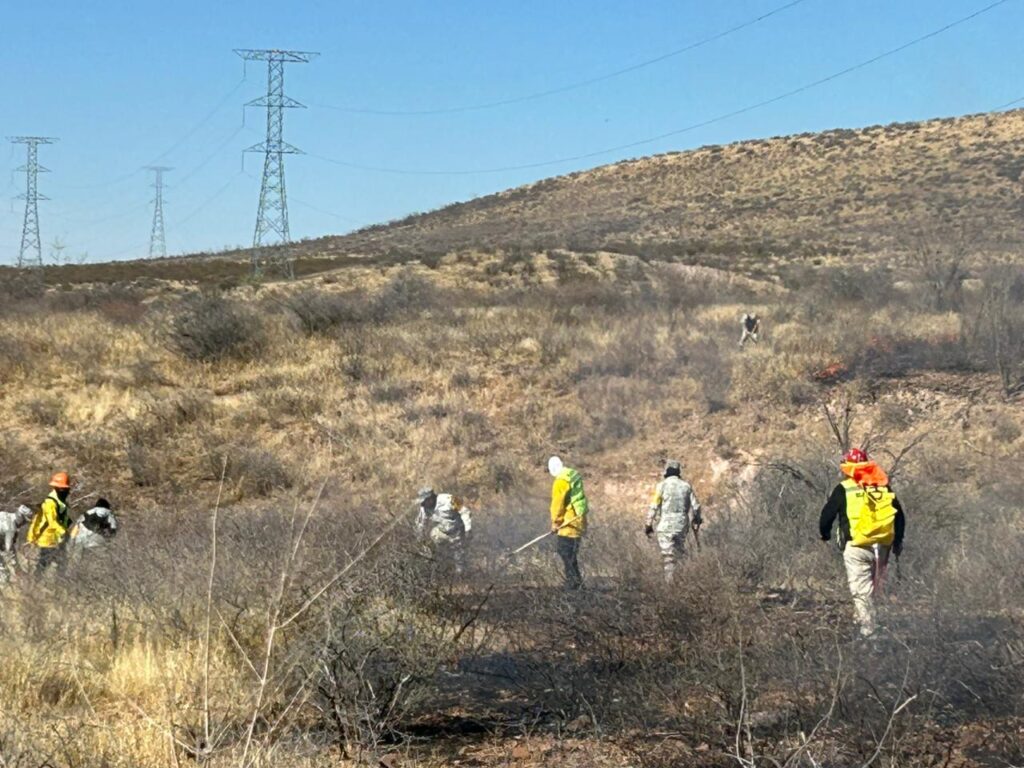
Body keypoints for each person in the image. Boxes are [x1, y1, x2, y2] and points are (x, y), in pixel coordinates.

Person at [819, 449, 906, 638]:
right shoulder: (882, 486)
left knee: (861, 590)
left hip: (857, 546)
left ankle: (869, 634)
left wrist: (824, 535)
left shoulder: (845, 488)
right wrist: (897, 541)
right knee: (875, 587)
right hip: (883, 545)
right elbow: (899, 516)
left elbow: (827, 515)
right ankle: (866, 620)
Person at [644, 460, 701, 582]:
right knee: (679, 553)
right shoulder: (686, 486)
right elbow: (696, 507)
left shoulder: (661, 486)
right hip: (681, 525)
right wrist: (697, 519)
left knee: (668, 556)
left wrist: (648, 524)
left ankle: (669, 584)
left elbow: (654, 505)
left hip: (665, 525)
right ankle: (681, 581)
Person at [548, 456, 589, 590]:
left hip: (569, 523)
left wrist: (555, 523)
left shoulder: (561, 481)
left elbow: (557, 504)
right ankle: (576, 582)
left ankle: (573, 584)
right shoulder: (573, 474)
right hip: (579, 520)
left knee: (565, 551)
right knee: (571, 554)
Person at [26, 472, 73, 576]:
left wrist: (66, 523)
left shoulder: (61, 502)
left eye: (66, 489)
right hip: (48, 538)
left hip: (57, 538)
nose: (66, 491)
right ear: (56, 488)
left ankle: (58, 586)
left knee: (61, 563)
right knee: (44, 564)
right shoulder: (50, 502)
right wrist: (63, 531)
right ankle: (34, 584)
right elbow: (52, 521)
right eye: (63, 489)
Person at [415, 488, 472, 574]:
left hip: (456, 530)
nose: (423, 503)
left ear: (430, 498)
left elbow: (465, 512)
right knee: (434, 536)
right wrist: (420, 537)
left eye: (425, 501)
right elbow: (421, 523)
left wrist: (468, 529)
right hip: (442, 530)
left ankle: (460, 573)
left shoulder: (449, 499)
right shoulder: (424, 508)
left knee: (459, 554)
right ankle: (442, 562)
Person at [0, 505, 33, 583]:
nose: (23, 524)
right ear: (20, 517)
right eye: (24, 521)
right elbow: (9, 550)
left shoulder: (4, 514)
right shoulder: (10, 528)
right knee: (3, 575)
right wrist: (17, 568)